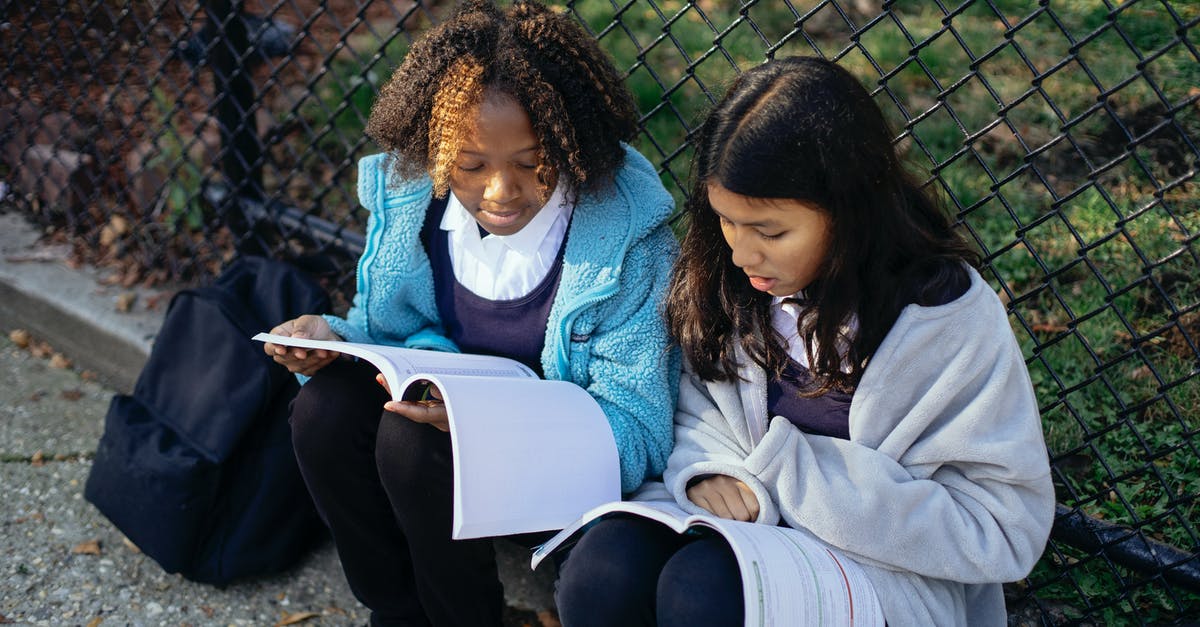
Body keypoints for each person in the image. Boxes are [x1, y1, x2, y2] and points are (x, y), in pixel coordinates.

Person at [554, 56, 1055, 626]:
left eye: (770, 231)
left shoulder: (946, 323)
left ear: (849, 212)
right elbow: (698, 411)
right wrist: (708, 469)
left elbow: (1002, 526)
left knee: (704, 593)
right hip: (742, 534)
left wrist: (787, 471)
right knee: (603, 571)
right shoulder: (733, 282)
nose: (742, 254)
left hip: (881, 576)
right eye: (727, 221)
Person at [262, 2, 680, 625]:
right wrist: (333, 341)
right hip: (444, 454)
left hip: (557, 469)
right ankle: (399, 613)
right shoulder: (417, 206)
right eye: (471, 165)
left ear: (571, 139)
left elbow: (640, 433)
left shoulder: (627, 240)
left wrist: (490, 430)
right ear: (435, 152)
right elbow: (386, 339)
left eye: (531, 161)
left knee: (410, 438)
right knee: (322, 409)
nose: (500, 192)